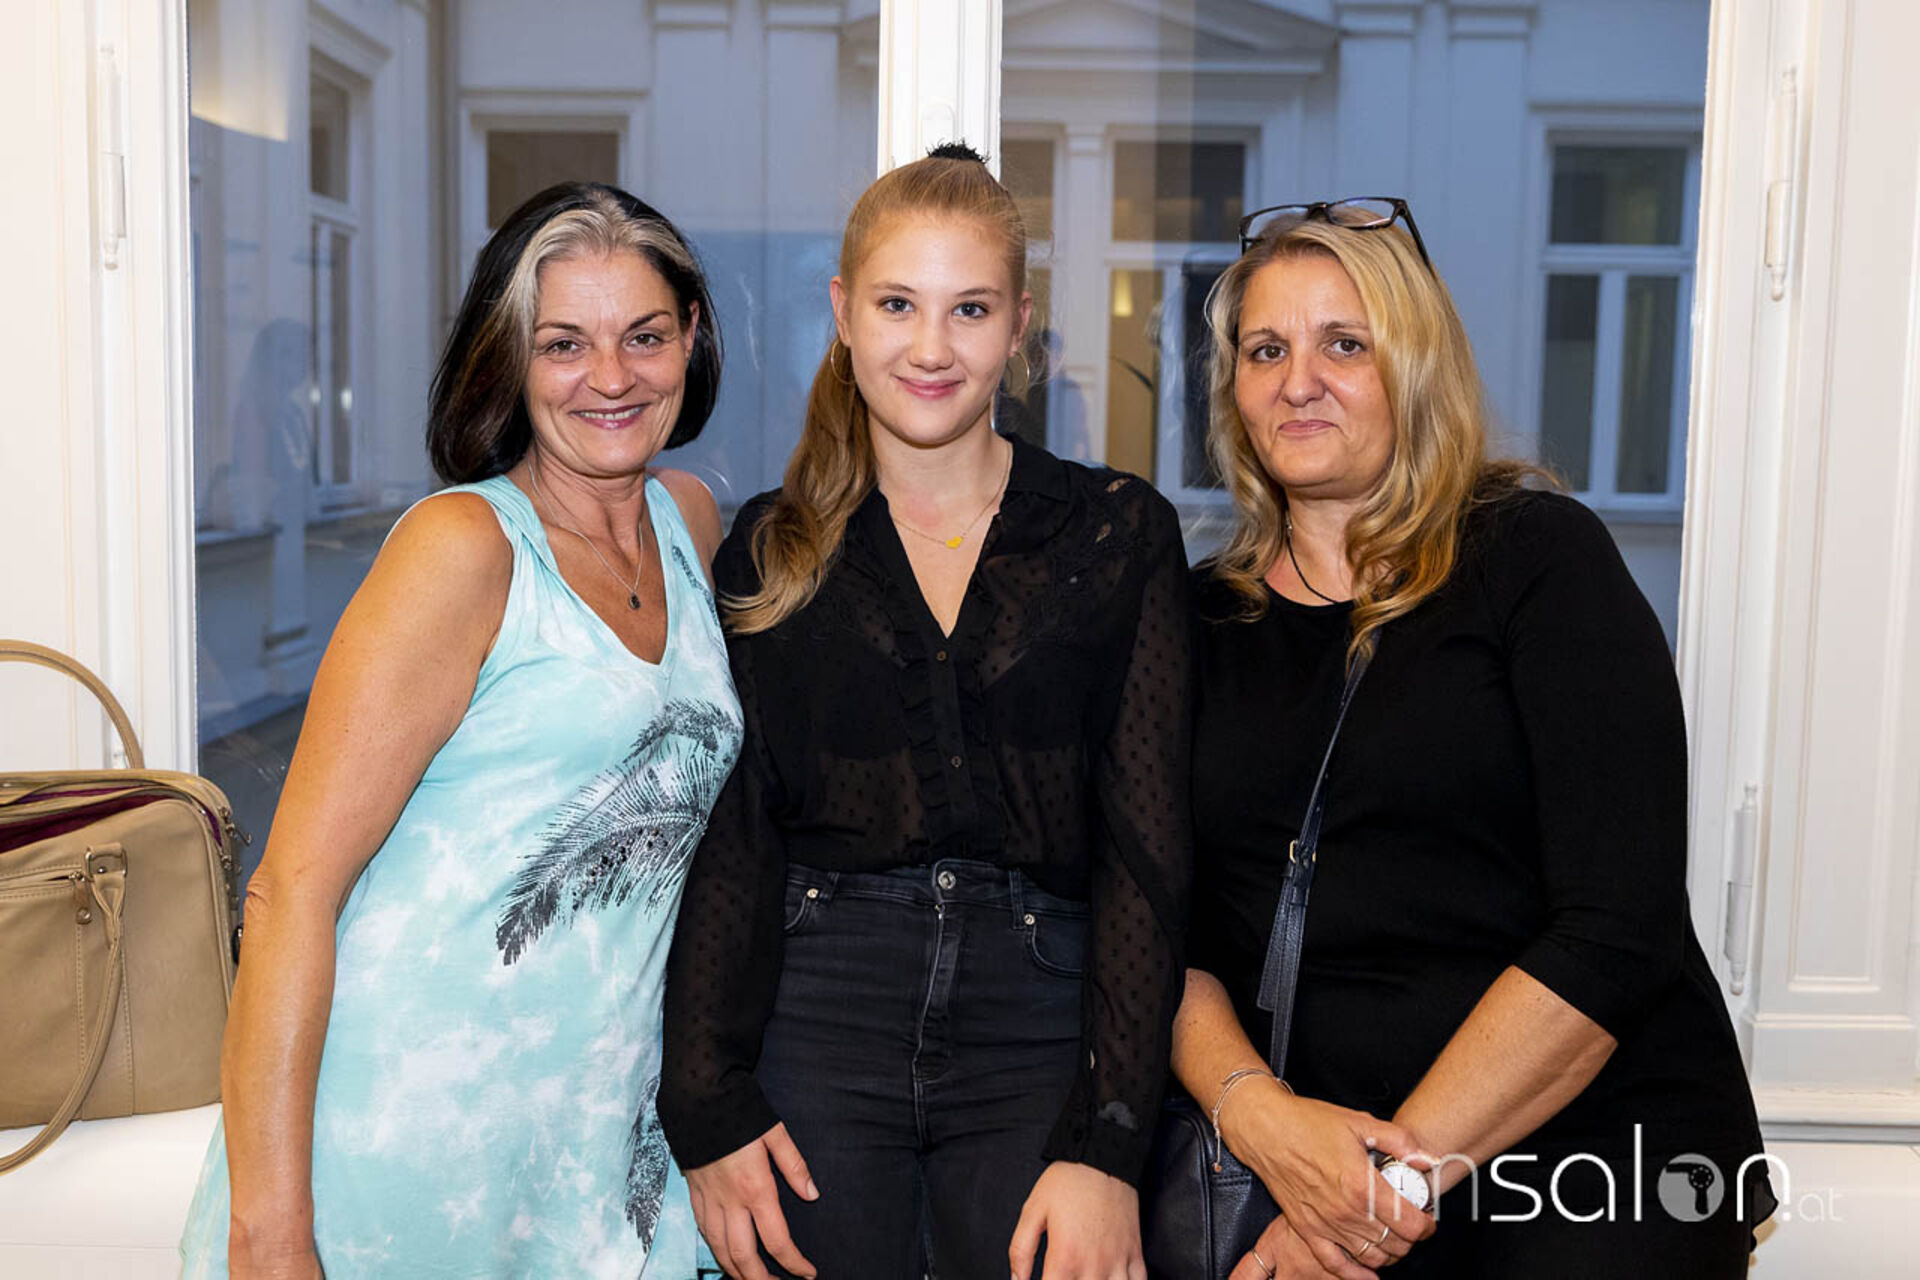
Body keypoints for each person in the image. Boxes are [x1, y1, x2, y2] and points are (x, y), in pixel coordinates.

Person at [1173, 199, 1771, 1279]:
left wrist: (1367, 1204)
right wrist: (1261, 1119)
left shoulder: (1537, 561)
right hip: (1308, 1167)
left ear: (1417, 371)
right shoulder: (1195, 620)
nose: (1298, 380)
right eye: (1266, 350)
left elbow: (1616, 929)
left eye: (1344, 344)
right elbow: (1153, 929)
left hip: (1586, 1171)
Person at [178, 181, 739, 1278]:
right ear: (511, 359)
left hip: (589, 1151)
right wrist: (270, 1232)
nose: (612, 377)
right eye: (563, 343)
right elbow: (291, 891)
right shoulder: (465, 547)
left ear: (691, 338)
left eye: (644, 336)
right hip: (398, 1149)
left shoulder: (690, 523)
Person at [658, 144, 1192, 1280]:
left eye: (971, 309)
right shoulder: (772, 547)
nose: (933, 347)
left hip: (1040, 1029)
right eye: (898, 304)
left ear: (1021, 325)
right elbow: (734, 836)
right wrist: (704, 1101)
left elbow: (1146, 854)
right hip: (815, 1019)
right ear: (843, 314)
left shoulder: (1116, 533)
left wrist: (1111, 1140)